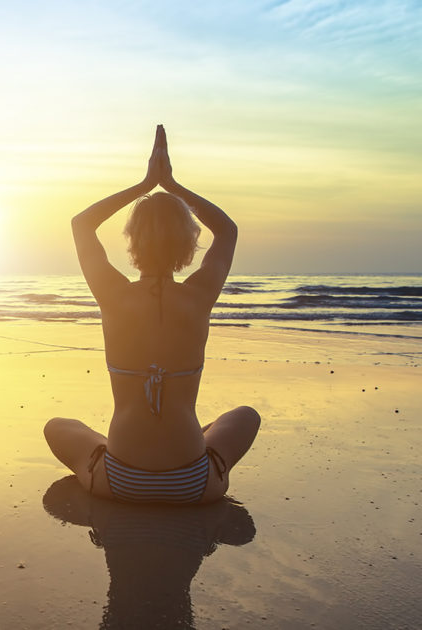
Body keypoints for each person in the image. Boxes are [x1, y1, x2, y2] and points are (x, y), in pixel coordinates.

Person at [44, 125, 260, 504]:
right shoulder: (198, 296)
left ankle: (112, 451)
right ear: (188, 243)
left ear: (132, 240)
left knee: (59, 427)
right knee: (246, 416)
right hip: (193, 485)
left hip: (119, 481)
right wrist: (172, 186)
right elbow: (226, 230)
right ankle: (197, 444)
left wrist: (145, 185)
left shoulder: (113, 295)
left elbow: (82, 224)